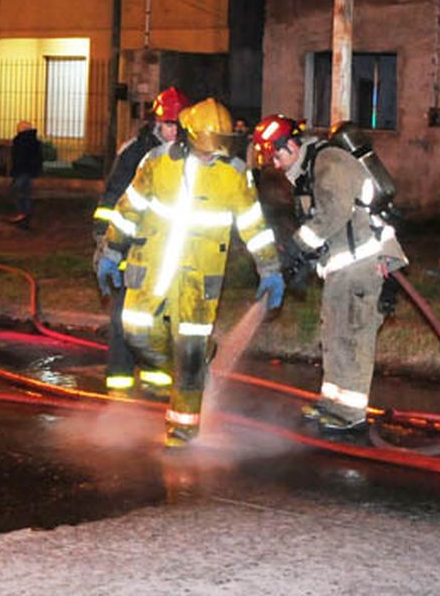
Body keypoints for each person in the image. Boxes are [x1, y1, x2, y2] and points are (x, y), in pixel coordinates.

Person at [99, 98, 281, 448]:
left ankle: (183, 432)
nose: (211, 155)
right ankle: (185, 374)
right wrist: (111, 250)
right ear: (189, 136)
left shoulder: (234, 172)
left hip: (200, 280)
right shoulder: (157, 161)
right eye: (205, 149)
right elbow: (128, 208)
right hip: (149, 269)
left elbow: (253, 226)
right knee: (136, 334)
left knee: (192, 353)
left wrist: (269, 268)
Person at [254, 113, 408, 436]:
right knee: (334, 335)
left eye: (278, 155)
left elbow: (334, 212)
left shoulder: (328, 162)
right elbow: (324, 228)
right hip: (343, 267)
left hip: (364, 264)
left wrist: (297, 247)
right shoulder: (308, 172)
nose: (277, 165)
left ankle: (350, 414)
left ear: (292, 145)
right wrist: (302, 263)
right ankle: (334, 403)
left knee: (352, 336)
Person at [91, 85, 189, 393]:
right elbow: (113, 197)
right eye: (168, 124)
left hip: (163, 251)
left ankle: (155, 378)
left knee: (158, 315)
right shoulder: (136, 152)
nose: (172, 131)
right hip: (129, 247)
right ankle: (119, 380)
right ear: (157, 123)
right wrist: (106, 243)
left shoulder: (187, 153)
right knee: (124, 315)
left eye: (177, 125)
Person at [8, 120, 43, 228]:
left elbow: (18, 158)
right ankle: (26, 214)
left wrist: (14, 170)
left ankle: (23, 213)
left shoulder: (20, 141)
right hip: (30, 171)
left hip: (21, 171)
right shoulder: (34, 141)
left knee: (17, 191)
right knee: (26, 192)